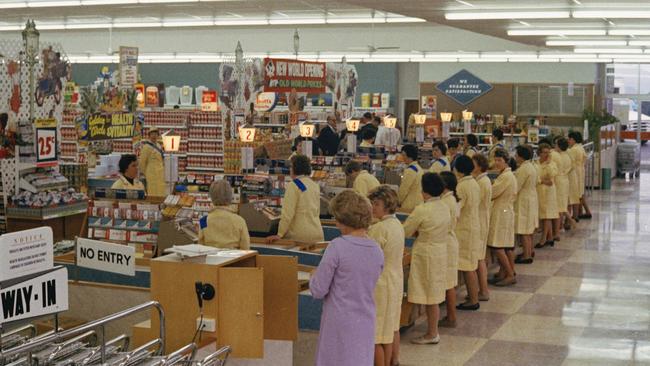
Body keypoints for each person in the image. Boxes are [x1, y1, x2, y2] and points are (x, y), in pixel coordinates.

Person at [310, 190, 384, 366]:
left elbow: (318, 290)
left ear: (343, 220)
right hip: (365, 319)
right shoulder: (376, 250)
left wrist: (314, 276)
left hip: (339, 321)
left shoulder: (337, 247)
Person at [404, 173, 450, 344]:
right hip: (439, 251)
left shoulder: (422, 209)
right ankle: (432, 330)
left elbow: (406, 231)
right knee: (434, 293)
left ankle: (432, 333)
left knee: (429, 295)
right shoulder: (444, 206)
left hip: (425, 253)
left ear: (424, 190)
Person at [367, 186, 404, 366]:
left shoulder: (379, 229)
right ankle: (392, 361)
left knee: (375, 336)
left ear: (387, 205)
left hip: (380, 284)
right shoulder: (396, 224)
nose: (373, 207)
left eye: (376, 204)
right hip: (395, 281)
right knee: (389, 330)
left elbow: (370, 258)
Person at [267, 155, 324, 244]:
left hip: (299, 235)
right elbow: (317, 211)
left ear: (295, 168)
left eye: (291, 166)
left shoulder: (293, 185)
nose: (290, 169)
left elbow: (288, 214)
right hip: (317, 232)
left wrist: (280, 234)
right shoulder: (314, 185)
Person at [454, 155, 482, 310]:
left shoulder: (461, 186)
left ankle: (473, 299)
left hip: (464, 229)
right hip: (472, 226)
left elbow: (457, 210)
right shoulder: (473, 183)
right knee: (470, 264)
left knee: (466, 266)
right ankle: (473, 296)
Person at [488, 148, 517, 286]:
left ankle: (510, 274)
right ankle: (504, 272)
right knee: (506, 246)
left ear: (506, 161)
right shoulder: (506, 175)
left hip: (502, 212)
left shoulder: (505, 177)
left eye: (500, 160)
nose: (497, 162)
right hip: (505, 211)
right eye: (496, 160)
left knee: (498, 246)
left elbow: (493, 193)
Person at [198, 180, 250, 250]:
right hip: (234, 260)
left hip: (211, 259)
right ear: (230, 196)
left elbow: (200, 245)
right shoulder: (239, 220)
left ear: (211, 196)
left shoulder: (203, 220)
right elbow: (245, 248)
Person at [438, 171, 459, 328]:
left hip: (446, 242)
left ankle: (451, 317)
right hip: (450, 241)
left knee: (448, 282)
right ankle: (451, 315)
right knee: (449, 281)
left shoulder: (446, 202)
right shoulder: (450, 199)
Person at [514, 145, 539, 264]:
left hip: (524, 200)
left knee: (524, 229)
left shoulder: (523, 169)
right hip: (531, 198)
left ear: (520, 156)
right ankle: (529, 251)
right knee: (528, 229)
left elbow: (517, 187)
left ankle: (526, 255)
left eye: (516, 155)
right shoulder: (532, 167)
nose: (515, 157)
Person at [472, 154, 492, 302]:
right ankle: (481, 289)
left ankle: (484, 290)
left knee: (478, 258)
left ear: (479, 166)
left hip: (479, 220)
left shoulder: (481, 183)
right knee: (480, 257)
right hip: (481, 219)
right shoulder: (482, 180)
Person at [535, 143, 559, 249]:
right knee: (543, 214)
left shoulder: (552, 164)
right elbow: (536, 178)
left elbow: (551, 177)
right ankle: (549, 237)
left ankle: (543, 239)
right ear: (539, 153)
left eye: (548, 152)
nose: (546, 154)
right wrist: (542, 180)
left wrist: (548, 163)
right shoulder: (535, 163)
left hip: (548, 192)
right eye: (544, 152)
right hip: (539, 191)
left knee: (547, 215)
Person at [569, 131, 592, 220]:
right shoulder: (580, 147)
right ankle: (583, 212)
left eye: (570, 139)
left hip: (575, 172)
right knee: (580, 193)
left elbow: (569, 161)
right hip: (580, 171)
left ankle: (577, 215)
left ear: (574, 140)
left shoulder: (573, 150)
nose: (569, 141)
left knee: (576, 193)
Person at [553, 137, 574, 238]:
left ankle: (560, 227)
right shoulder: (568, 155)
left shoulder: (558, 156)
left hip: (559, 181)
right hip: (565, 180)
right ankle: (564, 224)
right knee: (562, 205)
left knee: (559, 207)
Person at [139, 127, 166, 197]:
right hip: (151, 173)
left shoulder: (159, 146)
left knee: (160, 190)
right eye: (152, 134)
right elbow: (142, 162)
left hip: (160, 173)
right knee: (152, 191)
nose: (154, 136)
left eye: (156, 134)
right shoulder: (146, 147)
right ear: (149, 135)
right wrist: (145, 173)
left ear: (158, 135)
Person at [397, 144, 423, 212]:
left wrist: (398, 202)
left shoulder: (410, 170)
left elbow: (404, 189)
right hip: (419, 202)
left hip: (408, 205)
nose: (402, 157)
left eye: (403, 155)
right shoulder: (419, 168)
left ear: (409, 156)